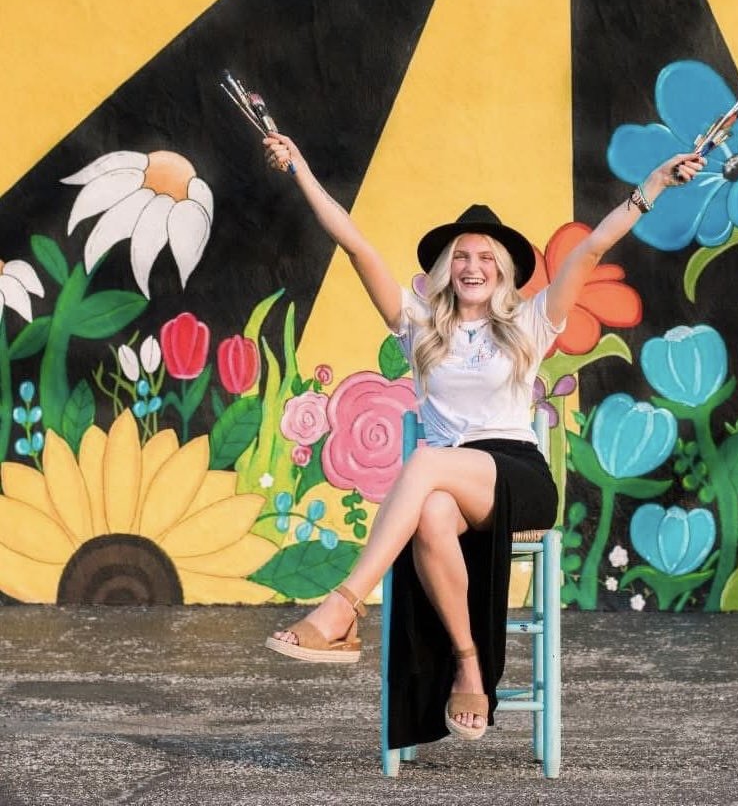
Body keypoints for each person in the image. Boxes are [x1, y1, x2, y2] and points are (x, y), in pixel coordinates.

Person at [261, 131, 703, 744]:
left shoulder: (531, 321)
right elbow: (355, 244)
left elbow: (593, 249)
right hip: (450, 481)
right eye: (462, 257)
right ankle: (470, 668)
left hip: (517, 476)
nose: (473, 266)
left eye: (486, 258)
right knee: (434, 509)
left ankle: (343, 606)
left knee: (427, 466)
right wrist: (300, 167)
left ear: (503, 271)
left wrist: (653, 185)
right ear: (447, 269)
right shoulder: (419, 329)